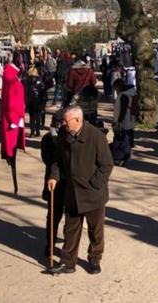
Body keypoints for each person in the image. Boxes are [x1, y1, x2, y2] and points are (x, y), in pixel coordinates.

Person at [47, 106, 114, 275]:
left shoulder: (96, 137)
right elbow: (57, 158)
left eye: (66, 121)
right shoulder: (64, 133)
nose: (63, 124)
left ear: (77, 120)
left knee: (95, 230)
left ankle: (94, 259)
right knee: (71, 229)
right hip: (72, 191)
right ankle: (68, 262)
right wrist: (54, 176)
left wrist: (94, 184)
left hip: (93, 193)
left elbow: (106, 165)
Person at [41, 110, 66, 258]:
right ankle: (50, 245)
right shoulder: (48, 139)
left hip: (69, 182)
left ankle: (68, 249)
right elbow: (48, 160)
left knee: (71, 217)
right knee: (53, 215)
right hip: (54, 181)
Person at [26, 67, 48, 137]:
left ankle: (32, 132)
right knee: (38, 117)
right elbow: (44, 93)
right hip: (38, 102)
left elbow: (26, 93)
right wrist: (43, 103)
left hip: (30, 102)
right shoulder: (40, 81)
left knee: (32, 118)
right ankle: (37, 131)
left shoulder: (26, 81)